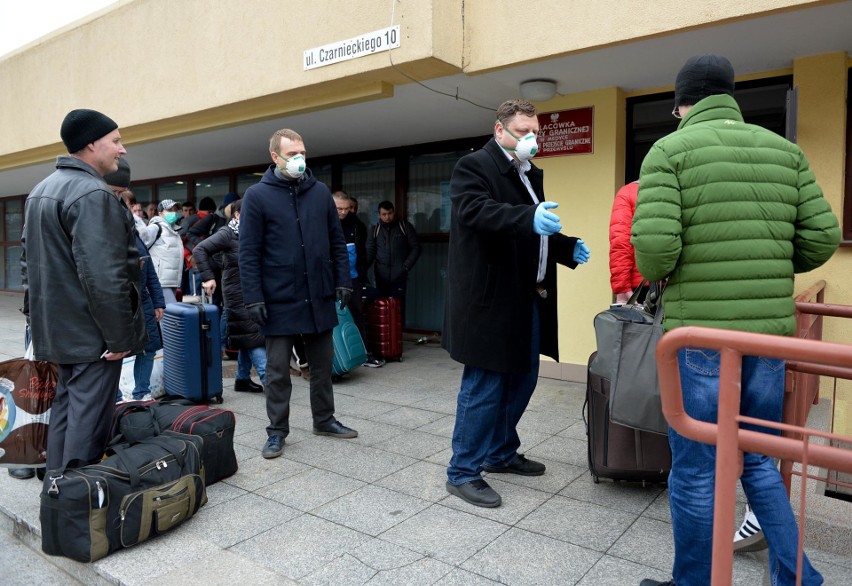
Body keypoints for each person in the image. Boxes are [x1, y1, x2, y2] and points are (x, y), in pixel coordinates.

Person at [632, 55, 839, 586]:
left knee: (698, 470)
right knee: (757, 461)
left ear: (681, 104)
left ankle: (694, 583)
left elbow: (654, 254)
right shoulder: (784, 152)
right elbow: (821, 237)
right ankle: (800, 577)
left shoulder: (669, 151)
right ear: (729, 97)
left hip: (701, 338)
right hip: (767, 339)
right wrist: (766, 263)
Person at [442, 98, 590, 508]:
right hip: (490, 300)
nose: (531, 138)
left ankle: (500, 452)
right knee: (486, 385)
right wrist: (530, 219)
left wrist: (565, 246)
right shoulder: (474, 166)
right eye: (523, 130)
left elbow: (532, 227)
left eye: (535, 131)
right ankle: (463, 471)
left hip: (527, 297)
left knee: (522, 379)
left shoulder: (528, 173)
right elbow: (478, 212)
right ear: (499, 130)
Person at [22, 109, 146, 472]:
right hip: (93, 337)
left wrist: (37, 322)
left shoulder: (41, 190)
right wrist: (119, 338)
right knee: (87, 424)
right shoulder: (92, 193)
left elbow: (30, 267)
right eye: (116, 140)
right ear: (91, 144)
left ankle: (57, 494)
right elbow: (103, 277)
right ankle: (76, 505)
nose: (122, 150)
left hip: (61, 332)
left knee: (64, 412)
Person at [239, 128, 358, 460]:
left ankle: (324, 419)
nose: (299, 160)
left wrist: (343, 280)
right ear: (275, 158)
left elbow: (336, 241)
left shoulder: (319, 192)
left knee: (323, 364)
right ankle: (277, 431)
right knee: (277, 371)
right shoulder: (257, 196)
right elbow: (248, 252)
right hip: (278, 296)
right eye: (292, 154)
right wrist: (254, 297)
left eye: (302, 152)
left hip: (317, 291)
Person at [193, 199, 265, 393]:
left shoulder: (255, 233)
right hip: (237, 292)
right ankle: (272, 382)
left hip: (254, 290)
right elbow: (199, 250)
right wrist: (208, 277)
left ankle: (242, 379)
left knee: (247, 333)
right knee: (254, 335)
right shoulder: (228, 233)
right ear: (237, 214)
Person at [333, 190, 383, 368]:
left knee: (357, 315)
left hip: (354, 279)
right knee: (332, 318)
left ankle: (363, 353)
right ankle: (335, 358)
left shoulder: (356, 224)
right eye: (339, 208)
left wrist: (363, 269)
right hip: (332, 281)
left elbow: (365, 249)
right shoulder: (322, 223)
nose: (343, 212)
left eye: (347, 209)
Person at [365, 200, 421, 311]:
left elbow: (416, 247)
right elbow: (370, 252)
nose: (387, 217)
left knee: (398, 308)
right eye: (384, 214)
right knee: (382, 309)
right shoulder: (375, 230)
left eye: (389, 213)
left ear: (393, 212)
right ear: (379, 215)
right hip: (381, 277)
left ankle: (399, 329)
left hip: (399, 276)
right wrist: (363, 269)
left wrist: (405, 266)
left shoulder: (404, 227)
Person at [608, 180, 647, 304]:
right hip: (678, 284)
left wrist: (622, 286)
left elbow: (620, 242)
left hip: (640, 286)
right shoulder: (681, 191)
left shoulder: (628, 192)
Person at [141, 198, 184, 304]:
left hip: (171, 280)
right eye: (169, 210)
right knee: (170, 313)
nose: (173, 213)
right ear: (160, 213)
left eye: (175, 210)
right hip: (160, 280)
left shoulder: (173, 230)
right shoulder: (156, 227)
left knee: (166, 315)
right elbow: (141, 245)